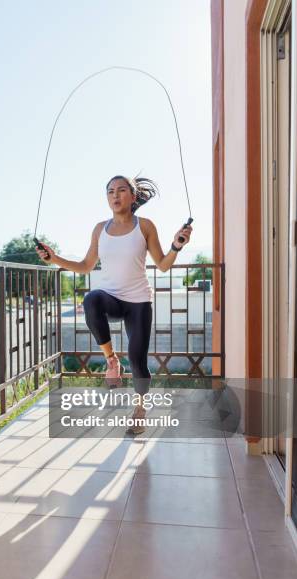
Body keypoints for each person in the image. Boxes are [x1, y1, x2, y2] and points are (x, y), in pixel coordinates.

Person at [35, 175, 192, 434]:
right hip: (111, 299)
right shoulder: (100, 229)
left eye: (121, 190)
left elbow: (163, 265)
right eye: (110, 192)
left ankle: (140, 409)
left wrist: (177, 246)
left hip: (139, 302)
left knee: (138, 360)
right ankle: (111, 360)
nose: (115, 196)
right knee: (91, 299)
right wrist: (54, 259)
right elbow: (86, 266)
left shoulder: (145, 226)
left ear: (132, 196)